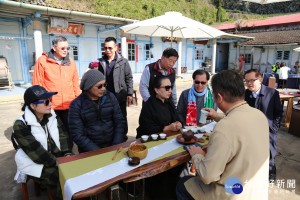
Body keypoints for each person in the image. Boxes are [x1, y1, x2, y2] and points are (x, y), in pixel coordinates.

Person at [176, 70, 269, 200]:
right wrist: (217, 116)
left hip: (232, 194)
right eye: (197, 82)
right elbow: (237, 121)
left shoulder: (223, 129)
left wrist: (198, 155)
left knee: (183, 183)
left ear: (219, 97)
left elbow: (208, 176)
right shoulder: (259, 115)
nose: (200, 85)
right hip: (257, 190)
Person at [13, 85, 72, 199]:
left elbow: (63, 135)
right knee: (60, 178)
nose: (50, 104)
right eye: (46, 102)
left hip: (56, 157)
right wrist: (59, 163)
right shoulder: (20, 125)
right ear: (33, 105)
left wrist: (67, 153)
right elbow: (37, 153)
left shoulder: (52, 115)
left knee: (77, 169)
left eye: (50, 100)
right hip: (36, 162)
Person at [32, 36, 81, 144]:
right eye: (63, 48)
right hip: (51, 105)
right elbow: (37, 85)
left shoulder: (71, 62)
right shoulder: (42, 61)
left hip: (69, 104)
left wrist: (78, 100)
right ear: (54, 47)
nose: (66, 51)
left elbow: (75, 83)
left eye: (68, 48)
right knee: (52, 131)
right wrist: (40, 103)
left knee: (70, 130)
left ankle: (68, 152)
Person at [69, 69, 124, 153]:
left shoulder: (110, 97)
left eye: (104, 85)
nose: (103, 88)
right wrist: (97, 151)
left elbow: (119, 121)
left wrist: (116, 144)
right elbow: (78, 135)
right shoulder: (76, 105)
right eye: (99, 86)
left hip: (113, 146)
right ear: (88, 87)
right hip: (90, 151)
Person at [244, 69, 283, 181]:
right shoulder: (246, 94)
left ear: (260, 80)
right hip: (251, 130)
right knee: (252, 151)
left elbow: (278, 112)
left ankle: (271, 172)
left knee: (269, 152)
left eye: (252, 80)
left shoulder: (272, 93)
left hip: (268, 130)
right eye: (247, 81)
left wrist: (274, 127)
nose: (249, 83)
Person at [98, 37, 133, 142]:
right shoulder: (101, 62)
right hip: (105, 96)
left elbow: (129, 78)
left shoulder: (123, 61)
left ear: (116, 47)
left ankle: (123, 137)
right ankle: (111, 137)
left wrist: (130, 93)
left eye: (110, 48)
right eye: (105, 48)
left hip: (119, 95)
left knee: (121, 117)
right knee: (107, 117)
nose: (107, 50)